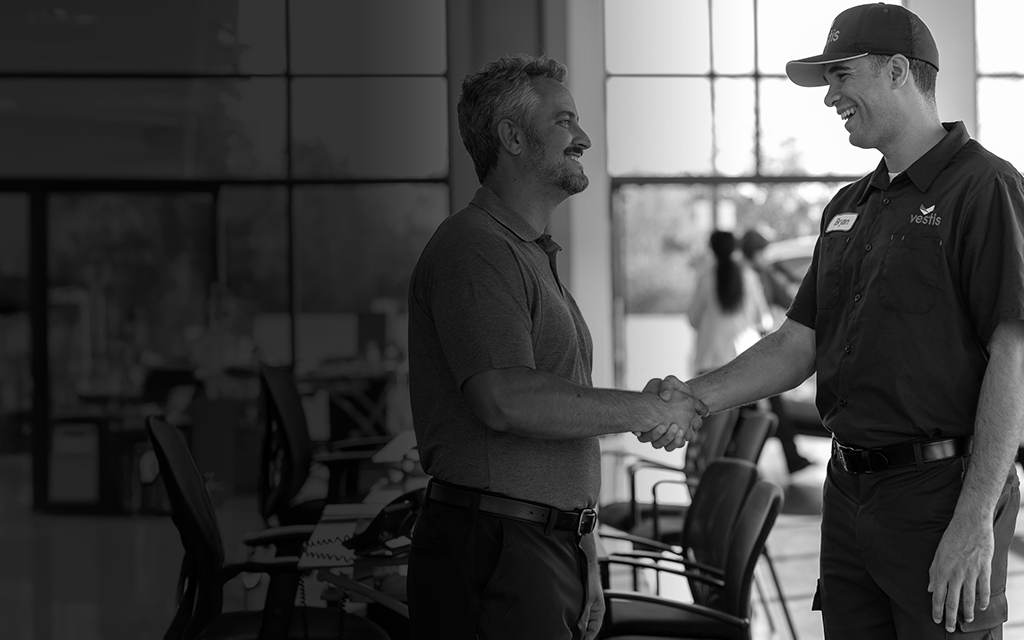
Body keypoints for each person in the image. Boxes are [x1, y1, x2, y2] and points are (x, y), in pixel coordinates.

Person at [657, 4, 1024, 638]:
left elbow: (1013, 355)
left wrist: (974, 520)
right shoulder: (847, 207)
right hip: (848, 493)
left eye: (841, 75)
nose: (830, 97)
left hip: (941, 494)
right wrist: (693, 397)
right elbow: (797, 344)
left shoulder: (985, 188)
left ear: (899, 71)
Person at [405, 54, 706, 640]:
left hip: (538, 543)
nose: (583, 138)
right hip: (498, 551)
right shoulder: (476, 248)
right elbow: (507, 399)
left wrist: (582, 541)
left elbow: (559, 414)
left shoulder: (526, 251)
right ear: (513, 138)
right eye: (565, 122)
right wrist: (649, 410)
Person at [740, 229, 814, 474]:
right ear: (757, 252)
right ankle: (746, 466)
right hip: (758, 352)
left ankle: (744, 465)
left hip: (739, 354)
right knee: (763, 410)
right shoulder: (758, 276)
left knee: (748, 413)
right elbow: (790, 304)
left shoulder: (738, 272)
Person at [687, 230, 770, 375]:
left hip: (709, 361)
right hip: (745, 359)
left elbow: (693, 319)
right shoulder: (749, 278)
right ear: (736, 248)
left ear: (712, 249)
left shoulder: (705, 280)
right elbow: (765, 321)